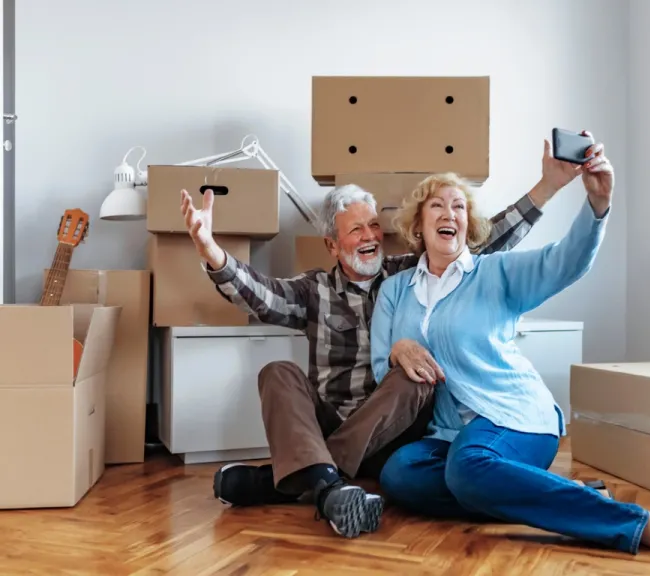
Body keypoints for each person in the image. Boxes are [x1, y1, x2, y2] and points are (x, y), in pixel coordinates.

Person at [178, 146, 573, 538]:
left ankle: (303, 478)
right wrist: (211, 250)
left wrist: (546, 188)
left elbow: (485, 240)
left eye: (373, 226)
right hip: (336, 423)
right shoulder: (313, 289)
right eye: (355, 230)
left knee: (411, 375)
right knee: (278, 372)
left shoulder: (408, 272)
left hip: (397, 435)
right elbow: (259, 295)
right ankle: (329, 485)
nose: (369, 237)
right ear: (333, 245)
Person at [369, 139, 650, 566]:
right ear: (418, 224)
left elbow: (563, 262)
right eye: (437, 205)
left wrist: (597, 204)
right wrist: (399, 348)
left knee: (468, 470)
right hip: (447, 434)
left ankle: (647, 525)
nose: (449, 213)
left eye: (458, 207)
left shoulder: (494, 274)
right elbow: (383, 369)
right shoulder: (395, 291)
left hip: (514, 417)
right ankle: (551, 494)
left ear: (468, 224)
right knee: (400, 474)